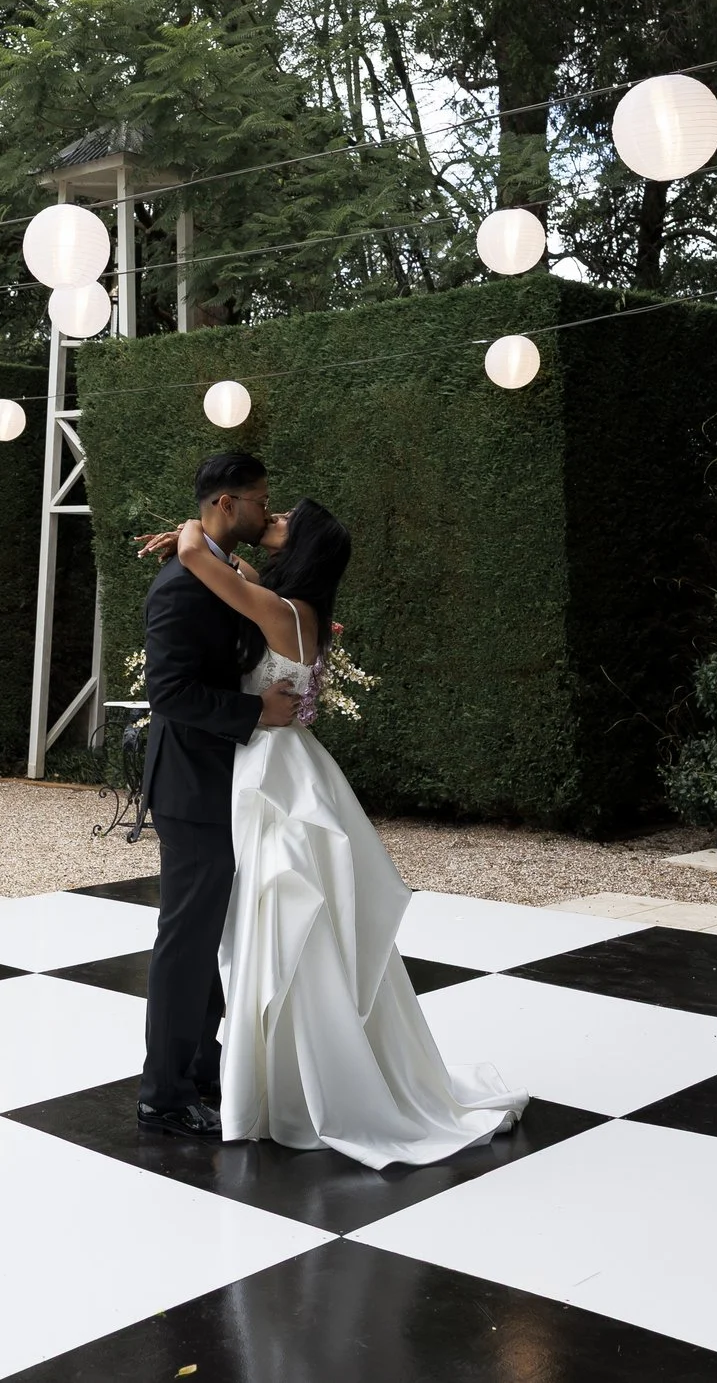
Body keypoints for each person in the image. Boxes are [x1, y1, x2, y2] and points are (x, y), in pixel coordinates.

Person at [147, 495, 526, 1168]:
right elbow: (230, 576)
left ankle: (280, 1078)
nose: (276, 520)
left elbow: (194, 560)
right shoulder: (296, 608)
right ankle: (264, 1069)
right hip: (275, 764)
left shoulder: (282, 610)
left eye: (286, 520)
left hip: (271, 768)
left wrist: (188, 531)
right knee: (277, 918)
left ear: (304, 546)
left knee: (279, 915)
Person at [135, 452, 304, 1139]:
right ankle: (164, 1094)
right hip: (190, 783)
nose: (271, 510)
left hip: (218, 780)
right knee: (185, 941)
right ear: (227, 504)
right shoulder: (180, 585)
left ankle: (200, 1071)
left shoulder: (218, 566)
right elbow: (166, 692)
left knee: (206, 938)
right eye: (262, 501)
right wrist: (255, 712)